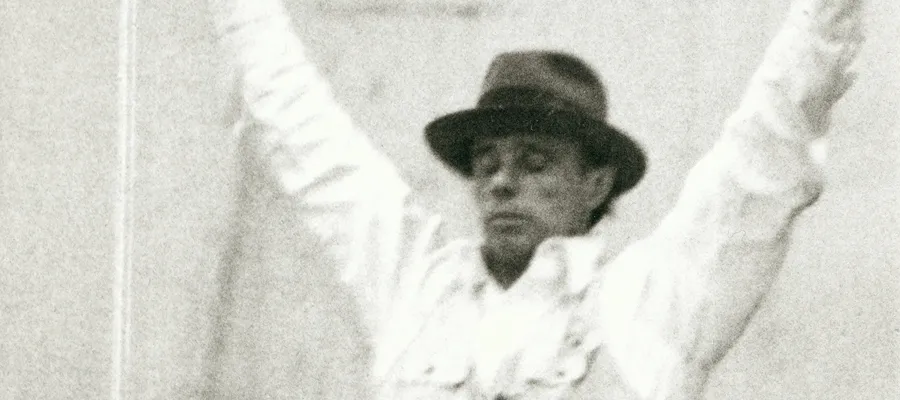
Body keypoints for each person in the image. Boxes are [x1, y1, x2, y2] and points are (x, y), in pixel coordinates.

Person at [208, 0, 864, 398]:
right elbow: (302, 131)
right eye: (486, 162)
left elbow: (770, 137)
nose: (500, 181)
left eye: (535, 162)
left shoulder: (653, 302)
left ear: (596, 183)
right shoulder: (416, 285)